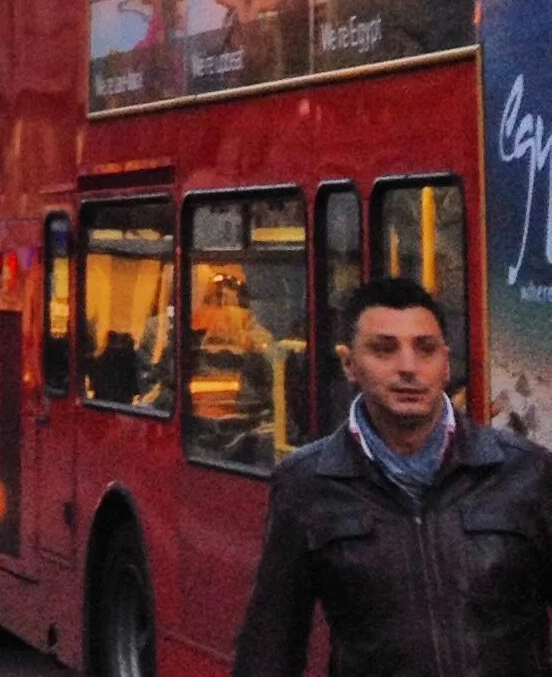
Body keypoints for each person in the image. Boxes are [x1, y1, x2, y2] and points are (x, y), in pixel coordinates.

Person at [232, 276, 552, 676]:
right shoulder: (307, 483)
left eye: (425, 349)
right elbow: (270, 644)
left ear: (446, 363)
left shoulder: (524, 471)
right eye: (384, 349)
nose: (408, 367)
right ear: (350, 365)